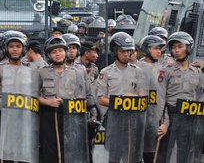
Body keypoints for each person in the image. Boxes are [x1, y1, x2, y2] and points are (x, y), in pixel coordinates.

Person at [38, 36, 93, 162]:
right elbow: (34, 96)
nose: (58, 54)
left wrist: (92, 111)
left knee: (71, 149)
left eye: (60, 50)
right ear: (48, 55)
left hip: (72, 116)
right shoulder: (42, 72)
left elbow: (85, 95)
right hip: (50, 116)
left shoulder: (77, 72)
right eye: (54, 52)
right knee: (50, 151)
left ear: (65, 52)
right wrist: (48, 102)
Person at [0, 30, 39, 163]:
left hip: (24, 115)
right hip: (3, 116)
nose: (15, 50)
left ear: (24, 49)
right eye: (11, 47)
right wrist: (3, 105)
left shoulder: (31, 69)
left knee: (24, 149)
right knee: (1, 150)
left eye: (18, 46)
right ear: (5, 48)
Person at [97, 32, 148, 162]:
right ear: (115, 51)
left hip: (133, 120)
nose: (126, 54)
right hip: (114, 119)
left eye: (129, 51)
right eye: (122, 51)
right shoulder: (106, 72)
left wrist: (134, 98)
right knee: (114, 154)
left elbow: (143, 98)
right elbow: (101, 99)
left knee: (131, 154)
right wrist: (120, 100)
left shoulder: (138, 71)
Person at [156, 32, 204, 162]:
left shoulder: (198, 72)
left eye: (180, 46)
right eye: (173, 47)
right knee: (164, 154)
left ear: (188, 48)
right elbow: (161, 99)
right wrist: (165, 123)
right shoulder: (166, 71)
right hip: (171, 115)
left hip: (189, 117)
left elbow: (200, 97)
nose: (176, 50)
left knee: (186, 153)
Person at [137, 35, 166, 163]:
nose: (159, 51)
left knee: (153, 156)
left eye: (160, 49)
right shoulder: (136, 68)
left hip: (157, 120)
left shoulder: (164, 70)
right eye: (155, 48)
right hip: (138, 120)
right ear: (147, 49)